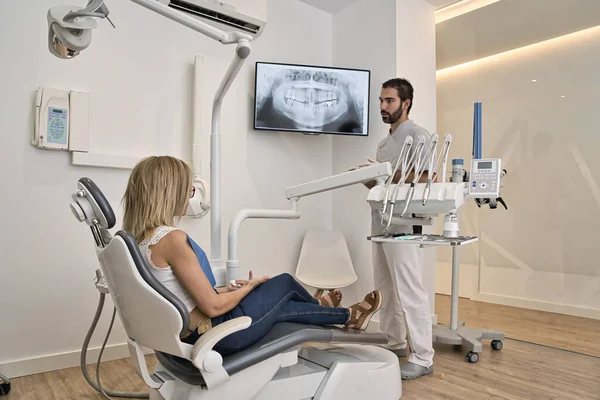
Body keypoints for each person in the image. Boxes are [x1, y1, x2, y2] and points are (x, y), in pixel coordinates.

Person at [121, 155, 384, 356]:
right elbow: (211, 307)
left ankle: (337, 313)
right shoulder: (171, 239)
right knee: (281, 283)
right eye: (188, 191)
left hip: (193, 333)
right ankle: (338, 313)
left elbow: (181, 295)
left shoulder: (142, 240)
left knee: (283, 302)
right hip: (217, 334)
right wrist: (249, 289)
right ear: (170, 192)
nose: (189, 198)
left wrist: (230, 289)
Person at [353, 78, 435, 380]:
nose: (383, 107)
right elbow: (385, 183)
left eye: (389, 101)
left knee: (410, 290)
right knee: (385, 288)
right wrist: (369, 178)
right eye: (381, 101)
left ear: (406, 103)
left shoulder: (419, 136)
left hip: (405, 222)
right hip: (381, 220)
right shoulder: (384, 143)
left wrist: (386, 173)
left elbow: (428, 178)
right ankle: (395, 341)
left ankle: (424, 356)